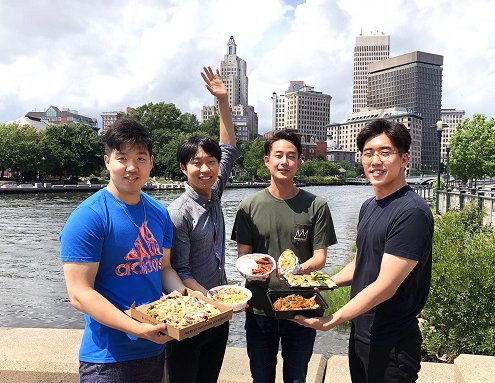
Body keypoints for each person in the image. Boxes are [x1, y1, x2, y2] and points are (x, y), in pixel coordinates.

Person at [293, 119, 434, 383]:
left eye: (385, 152)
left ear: (405, 159)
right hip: (362, 333)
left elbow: (386, 286)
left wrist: (333, 319)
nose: (375, 160)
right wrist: (322, 283)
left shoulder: (411, 212)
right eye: (368, 153)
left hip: (392, 342)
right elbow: (362, 261)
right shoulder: (370, 206)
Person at [60, 118, 185, 383]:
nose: (131, 167)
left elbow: (163, 269)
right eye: (122, 158)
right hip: (107, 361)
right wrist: (135, 327)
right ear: (107, 162)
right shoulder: (89, 217)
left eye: (140, 158)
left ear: (151, 162)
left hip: (154, 350)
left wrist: (188, 300)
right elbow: (79, 293)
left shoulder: (159, 213)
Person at [231, 130, 337, 383]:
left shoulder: (316, 205)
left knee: (297, 376)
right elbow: (243, 257)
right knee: (261, 376)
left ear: (300, 162)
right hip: (259, 308)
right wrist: (256, 270)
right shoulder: (248, 207)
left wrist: (296, 270)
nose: (284, 162)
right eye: (278, 155)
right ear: (267, 160)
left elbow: (320, 257)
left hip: (302, 306)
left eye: (291, 156)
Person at [165, 66, 241, 383]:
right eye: (197, 162)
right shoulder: (178, 212)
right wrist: (217, 301)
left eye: (210, 162)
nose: (206, 168)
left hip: (218, 316)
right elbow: (181, 272)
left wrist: (223, 101)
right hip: (193, 314)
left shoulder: (214, 192)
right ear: (184, 167)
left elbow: (229, 148)